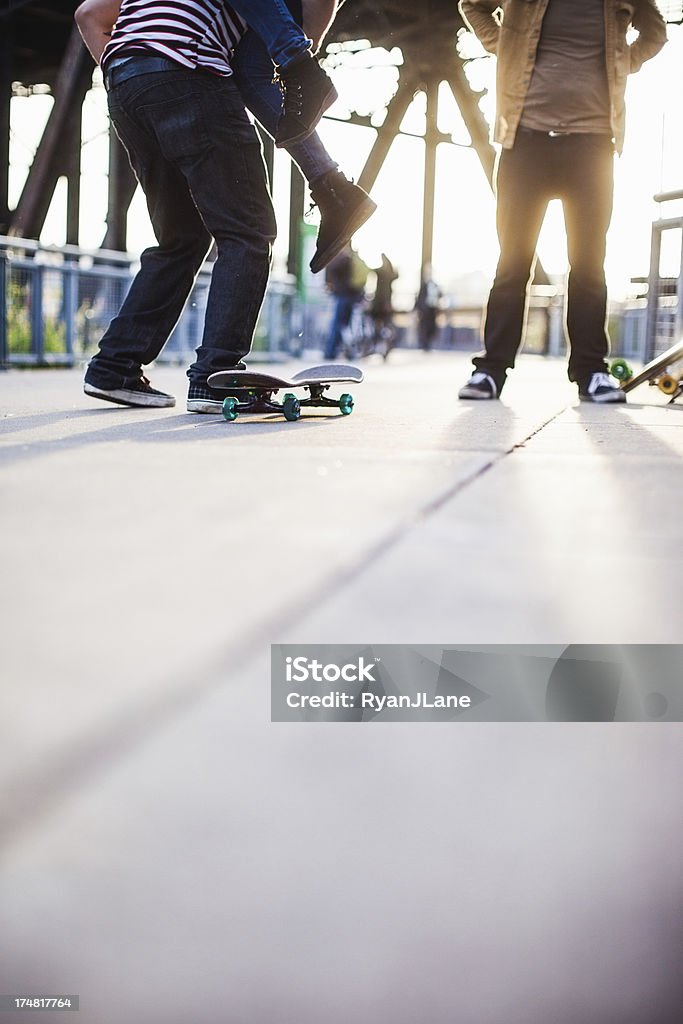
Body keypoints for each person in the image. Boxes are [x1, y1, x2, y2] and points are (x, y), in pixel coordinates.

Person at [457, 0, 667, 404]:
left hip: (593, 145)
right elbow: (472, 3)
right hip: (524, 141)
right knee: (512, 263)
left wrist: (624, 61)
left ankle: (591, 373)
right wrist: (502, 44)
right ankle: (490, 372)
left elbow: (655, 31)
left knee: (589, 265)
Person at [76, 0, 278, 412]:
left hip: (125, 81)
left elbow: (87, 15)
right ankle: (217, 377)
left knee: (182, 238)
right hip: (190, 72)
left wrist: (138, 76)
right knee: (248, 232)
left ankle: (115, 367)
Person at [76, 0, 376, 274]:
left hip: (135, 82)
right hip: (190, 61)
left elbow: (87, 14)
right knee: (248, 73)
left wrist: (129, 78)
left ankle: (332, 185)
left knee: (223, 236)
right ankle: (333, 188)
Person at [323, 244, 369, 360]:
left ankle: (331, 351)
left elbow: (332, 271)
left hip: (342, 295)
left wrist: (330, 284)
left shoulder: (342, 259)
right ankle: (348, 350)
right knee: (346, 325)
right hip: (353, 296)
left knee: (337, 324)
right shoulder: (355, 260)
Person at [415, 264, 441, 352]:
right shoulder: (424, 285)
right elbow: (419, 298)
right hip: (425, 310)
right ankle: (424, 344)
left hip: (432, 309)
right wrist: (418, 309)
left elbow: (440, 295)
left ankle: (429, 343)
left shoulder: (435, 285)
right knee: (424, 327)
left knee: (431, 327)